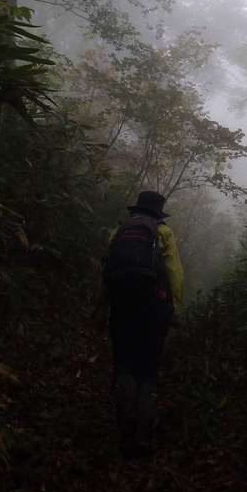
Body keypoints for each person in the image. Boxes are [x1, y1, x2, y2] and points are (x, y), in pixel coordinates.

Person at [98, 190, 184, 457]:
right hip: (154, 304)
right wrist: (176, 310)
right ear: (158, 213)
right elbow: (174, 273)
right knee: (148, 366)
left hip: (122, 303)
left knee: (124, 360)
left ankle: (125, 412)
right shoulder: (164, 233)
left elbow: (107, 272)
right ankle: (143, 435)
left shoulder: (117, 231)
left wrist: (100, 310)